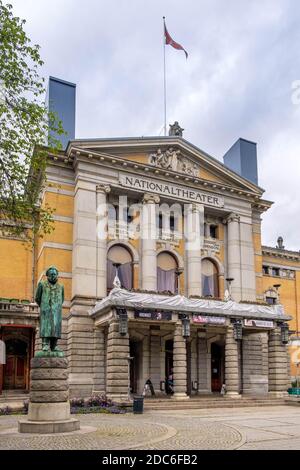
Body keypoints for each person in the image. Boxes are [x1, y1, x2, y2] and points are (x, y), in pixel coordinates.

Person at [35, 266, 64, 353]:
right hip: (46, 310)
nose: (53, 276)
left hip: (57, 311)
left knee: (56, 328)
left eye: (55, 274)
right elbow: (37, 298)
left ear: (57, 275)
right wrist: (44, 306)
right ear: (47, 275)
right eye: (51, 274)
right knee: (46, 327)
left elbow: (62, 299)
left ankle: (54, 345)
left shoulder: (61, 286)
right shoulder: (42, 284)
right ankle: (45, 344)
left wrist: (56, 306)